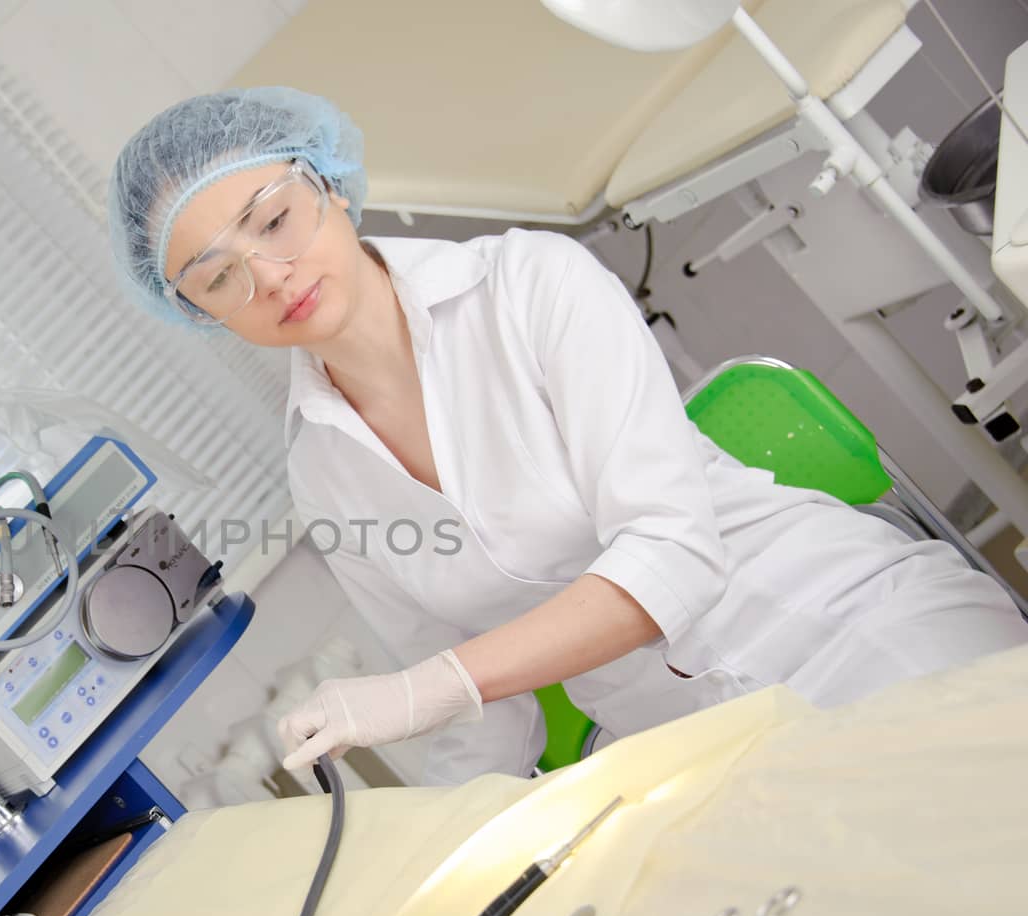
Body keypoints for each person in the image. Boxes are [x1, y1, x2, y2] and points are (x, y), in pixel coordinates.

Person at [106, 86, 1028, 782]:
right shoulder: (324, 474)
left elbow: (672, 555)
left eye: (275, 220)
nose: (269, 274)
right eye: (219, 277)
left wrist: (419, 689)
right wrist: (487, 856)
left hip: (843, 625)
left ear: (331, 189)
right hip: (685, 754)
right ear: (198, 313)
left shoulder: (532, 287)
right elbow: (481, 730)